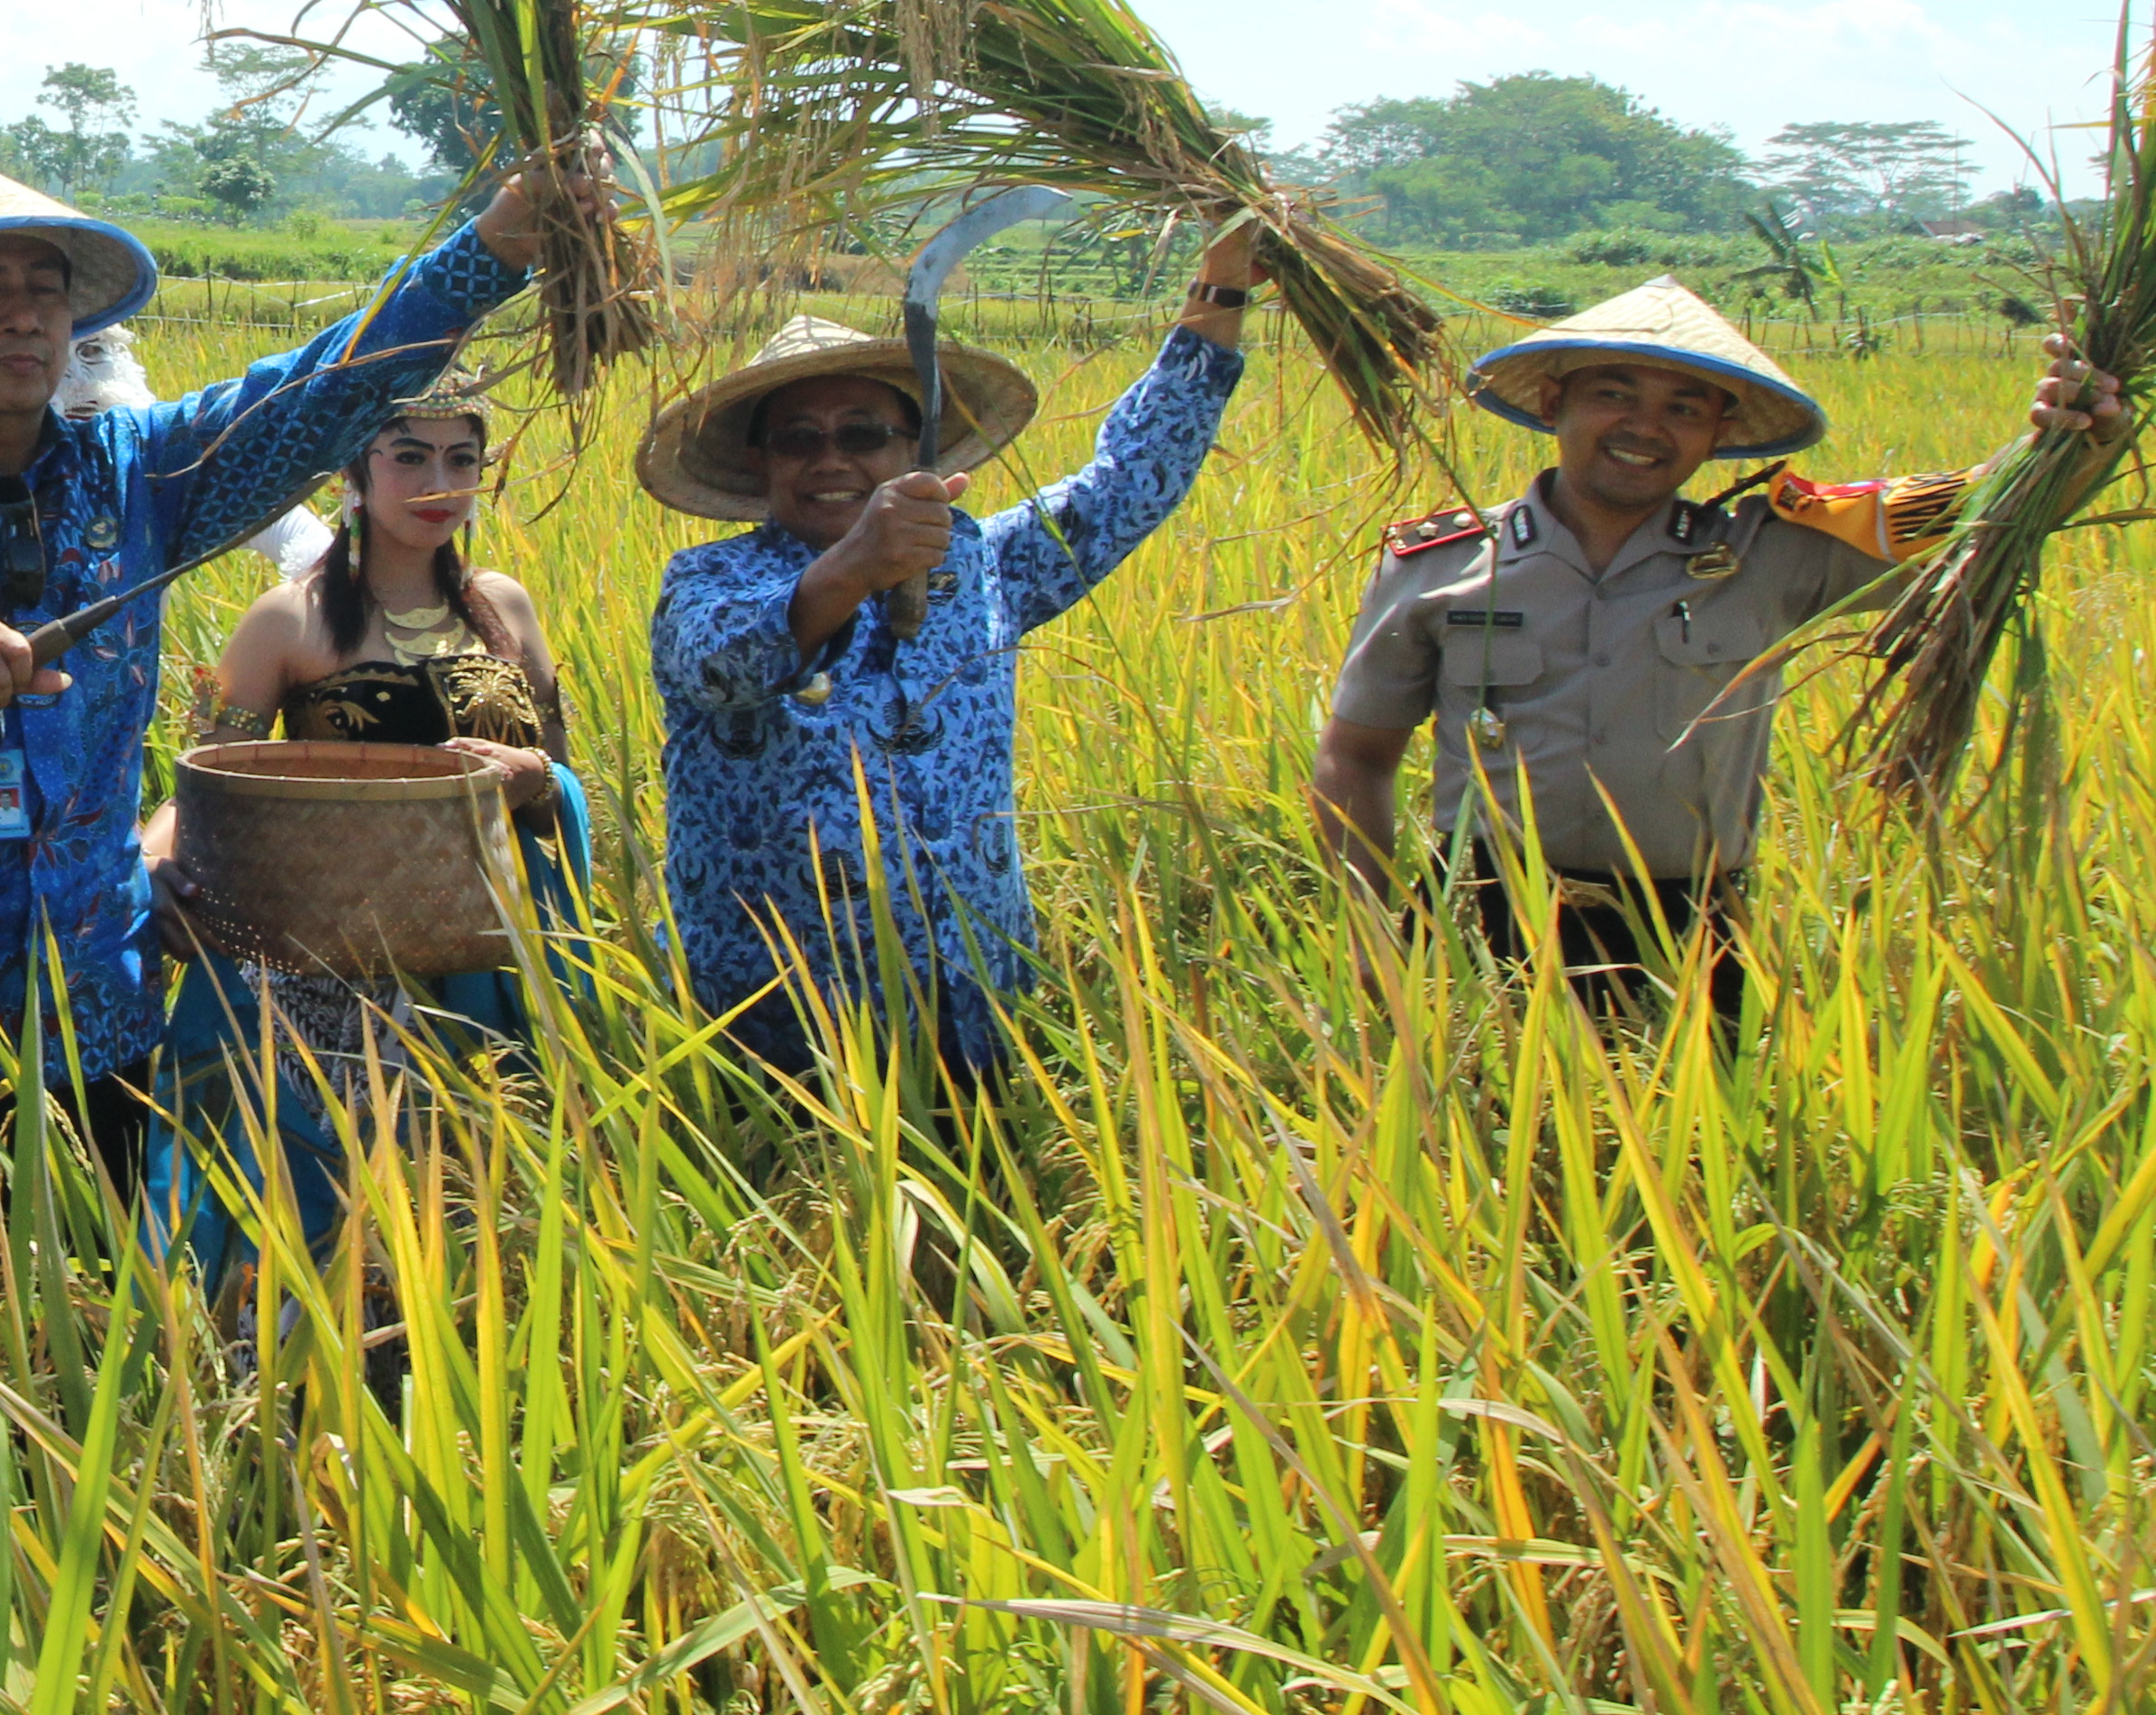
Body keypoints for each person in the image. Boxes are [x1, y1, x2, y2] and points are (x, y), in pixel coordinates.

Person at [0, 151, 599, 1252]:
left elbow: (324, 392)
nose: (26, 313)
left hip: (90, 1029)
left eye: (48, 286)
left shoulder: (144, 475)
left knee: (82, 1388)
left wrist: (493, 246)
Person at [1308, 276, 2125, 1019]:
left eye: (1684, 407)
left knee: (1680, 1170)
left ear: (1719, 432)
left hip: (1689, 935)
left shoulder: (1769, 554)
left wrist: (2072, 437)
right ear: (1556, 402)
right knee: (1467, 1169)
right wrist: (1372, 927)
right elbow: (1357, 756)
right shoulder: (1442, 563)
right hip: (1477, 923)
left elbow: (1983, 520)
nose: (1644, 427)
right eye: (1614, 394)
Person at [642, 223, 1262, 1082]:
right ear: (760, 462)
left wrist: (1220, 293)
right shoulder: (706, 579)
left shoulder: (977, 560)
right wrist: (863, 560)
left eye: (863, 435)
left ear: (912, 449)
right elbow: (719, 663)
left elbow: (1128, 484)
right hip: (772, 1013)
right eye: (799, 439)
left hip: (969, 998)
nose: (832, 460)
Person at [157, 382, 586, 1264]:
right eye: (409, 456)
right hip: (344, 955)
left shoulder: (506, 607)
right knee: (343, 1206)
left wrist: (538, 779)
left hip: (492, 941)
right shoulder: (289, 621)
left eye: (461, 459)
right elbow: (205, 786)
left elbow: (560, 769)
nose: (439, 482)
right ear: (354, 468)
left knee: (486, 1198)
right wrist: (143, 869)